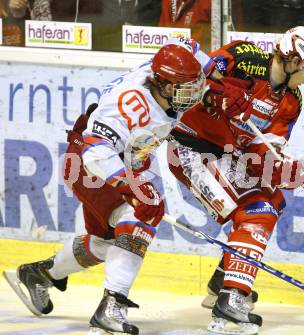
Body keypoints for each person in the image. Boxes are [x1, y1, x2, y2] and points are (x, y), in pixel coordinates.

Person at [3, 37, 212, 335]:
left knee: (107, 244)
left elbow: (185, 43)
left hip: (128, 160)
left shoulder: (161, 78)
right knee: (142, 215)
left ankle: (40, 273)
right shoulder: (131, 106)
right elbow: (95, 152)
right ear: (164, 85)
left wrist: (212, 72)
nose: (193, 95)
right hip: (91, 166)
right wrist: (131, 190)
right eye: (186, 88)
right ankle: (112, 307)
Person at [166, 26, 304, 334]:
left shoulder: (292, 102)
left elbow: (262, 149)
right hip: (190, 146)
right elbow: (191, 76)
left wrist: (282, 169)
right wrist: (217, 95)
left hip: (228, 155)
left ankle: (224, 285)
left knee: (273, 200)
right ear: (292, 59)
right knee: (256, 211)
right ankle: (231, 300)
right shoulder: (244, 57)